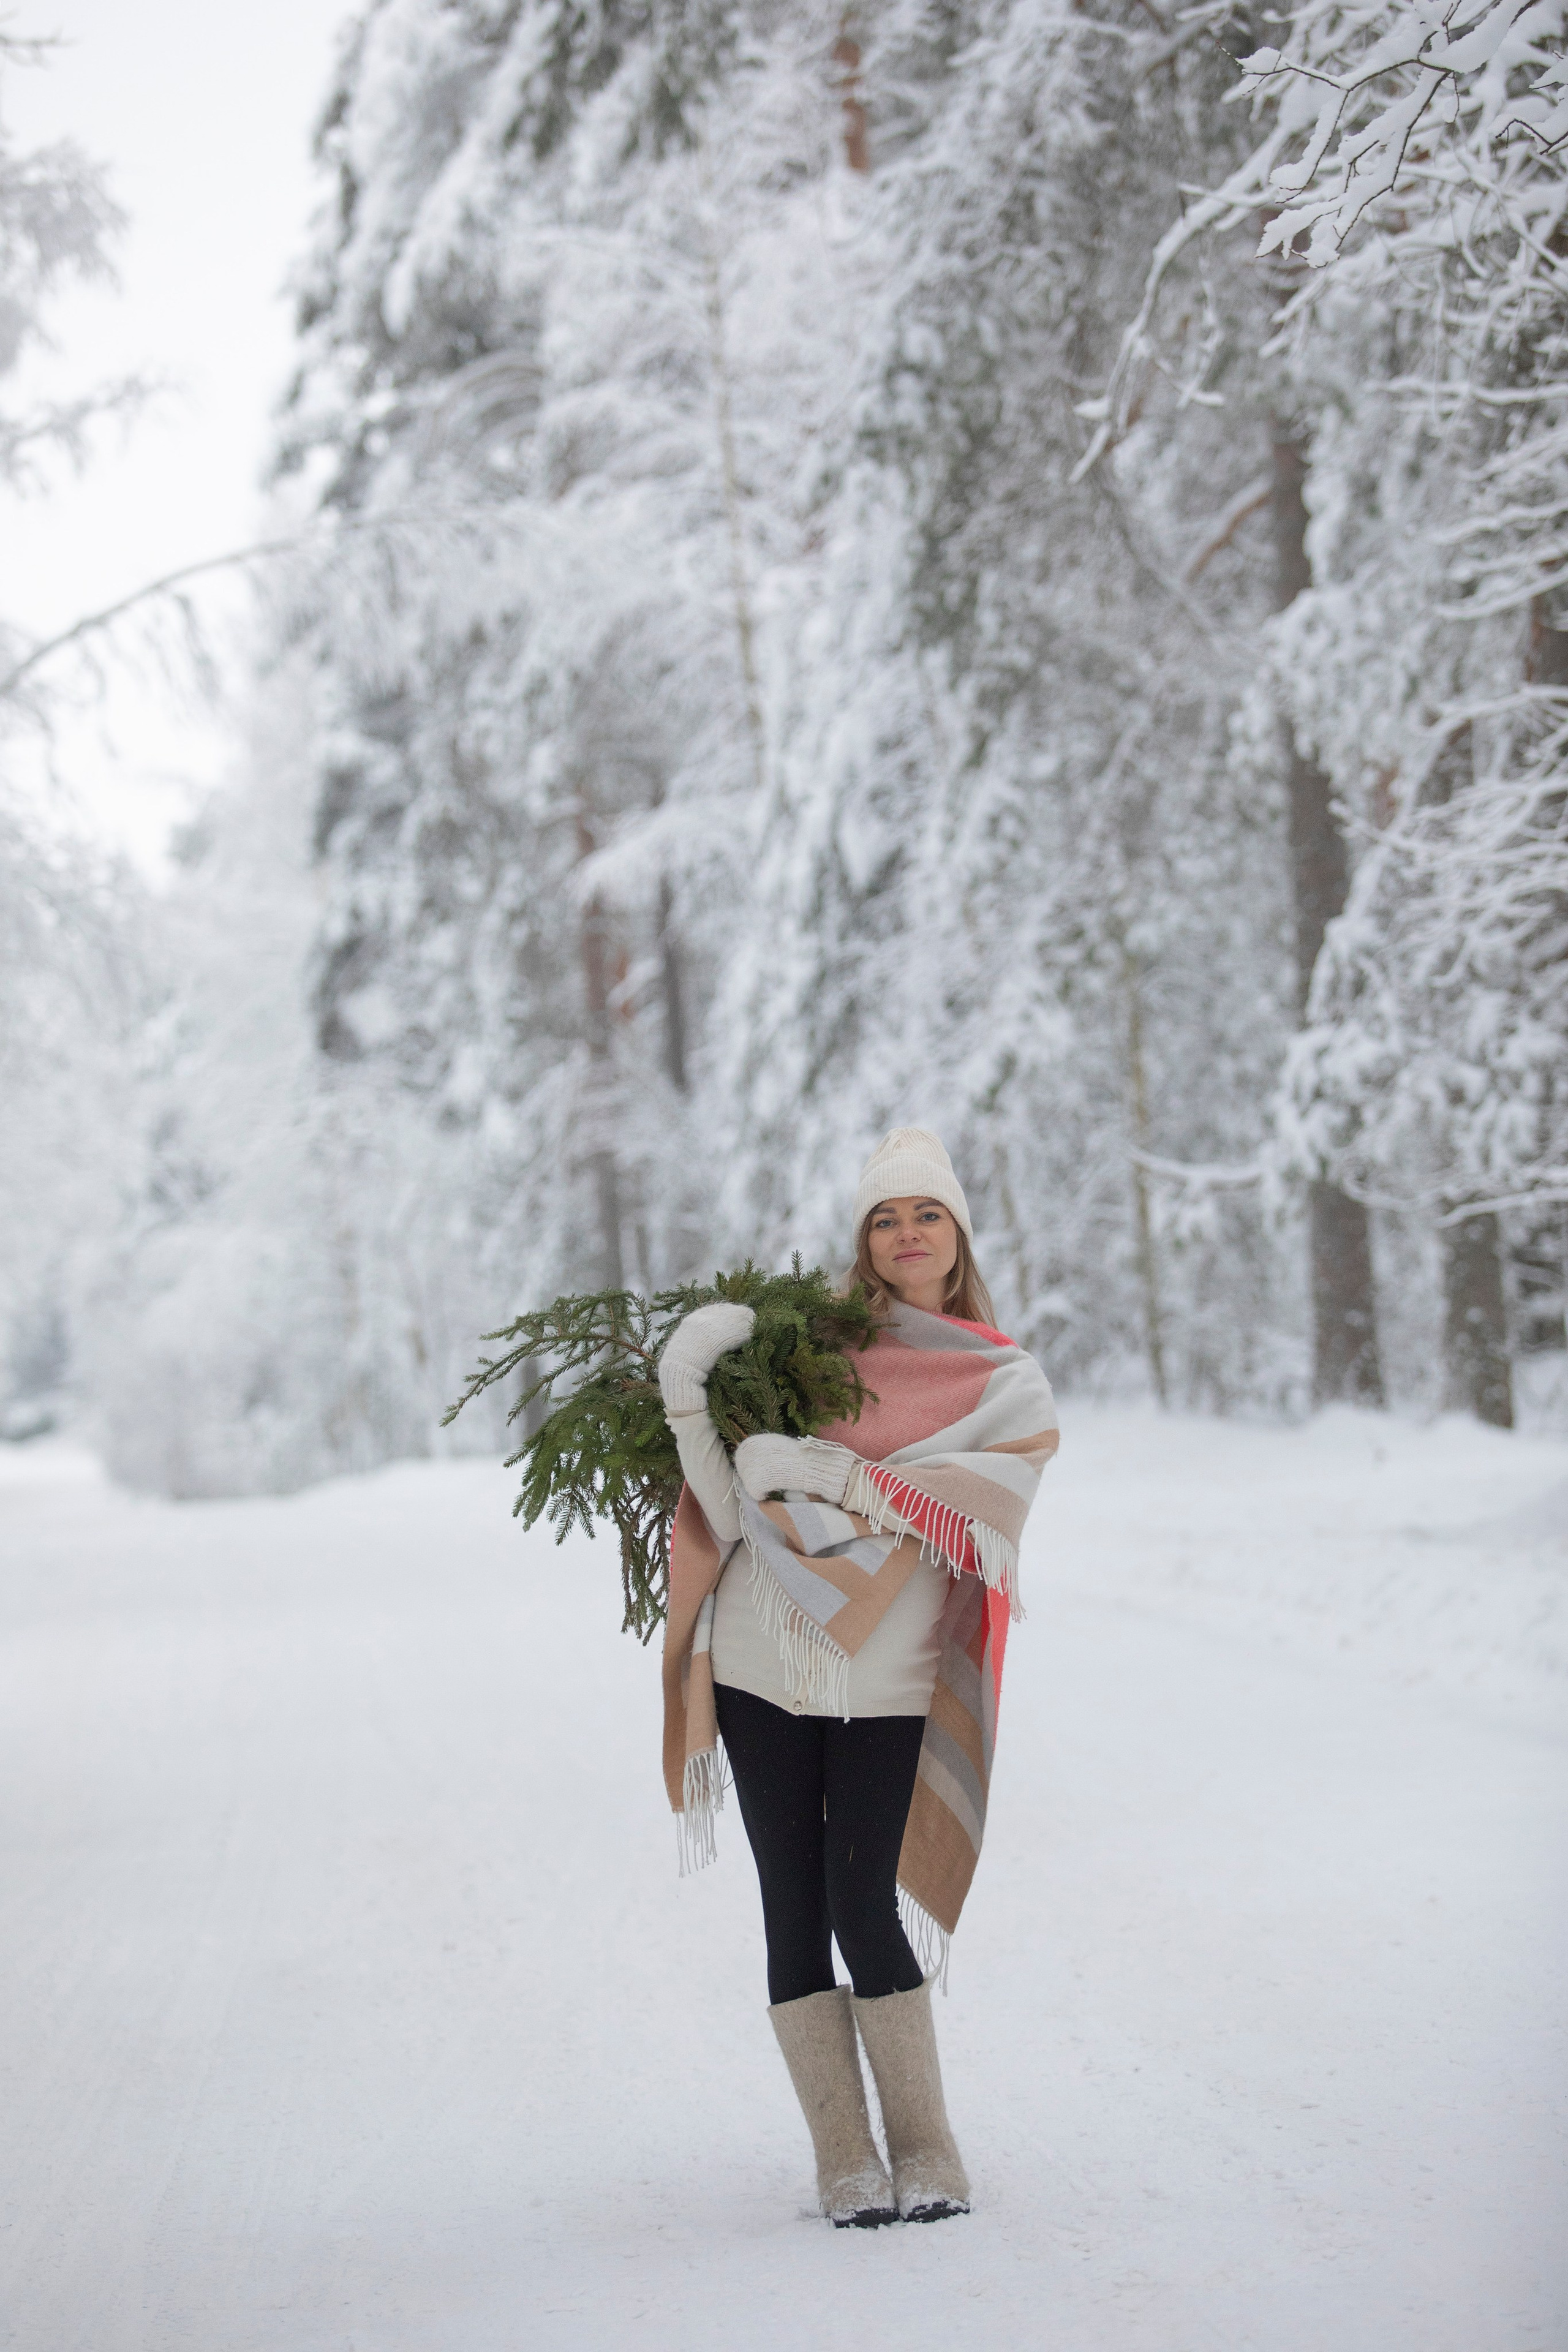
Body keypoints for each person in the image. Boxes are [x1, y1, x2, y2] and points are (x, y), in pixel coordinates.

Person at [657, 1128, 1058, 2227]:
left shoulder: (1002, 1381)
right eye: (885, 1218)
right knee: (792, 1903)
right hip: (757, 1653)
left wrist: (830, 1469)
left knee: (859, 1896)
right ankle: (845, 2157)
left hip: (889, 1671)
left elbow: (981, 1517)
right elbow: (734, 1508)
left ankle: (926, 2145)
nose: (907, 1233)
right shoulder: (809, 1354)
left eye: (925, 1213)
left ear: (958, 1231)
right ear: (864, 1243)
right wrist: (693, 1393)